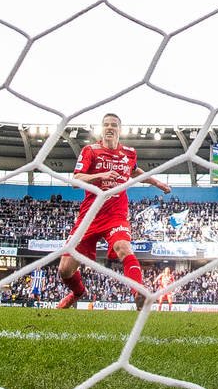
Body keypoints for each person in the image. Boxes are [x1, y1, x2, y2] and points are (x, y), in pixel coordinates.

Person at [56, 113, 170, 308]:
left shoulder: (129, 153)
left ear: (119, 129)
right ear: (102, 128)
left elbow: (134, 170)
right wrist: (100, 175)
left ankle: (139, 294)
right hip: (89, 216)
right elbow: (76, 180)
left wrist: (156, 182)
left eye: (114, 125)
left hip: (115, 215)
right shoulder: (90, 150)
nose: (110, 128)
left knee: (124, 248)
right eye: (106, 125)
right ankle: (78, 292)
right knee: (65, 270)